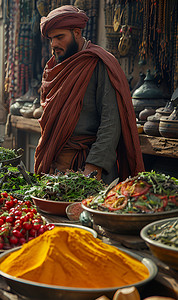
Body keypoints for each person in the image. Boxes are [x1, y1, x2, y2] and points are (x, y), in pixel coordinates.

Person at [34, 5, 144, 184]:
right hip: (55, 165)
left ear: (77, 33)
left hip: (87, 167)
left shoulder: (98, 63)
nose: (54, 44)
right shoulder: (54, 67)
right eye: (51, 39)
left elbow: (111, 122)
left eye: (60, 37)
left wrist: (94, 165)